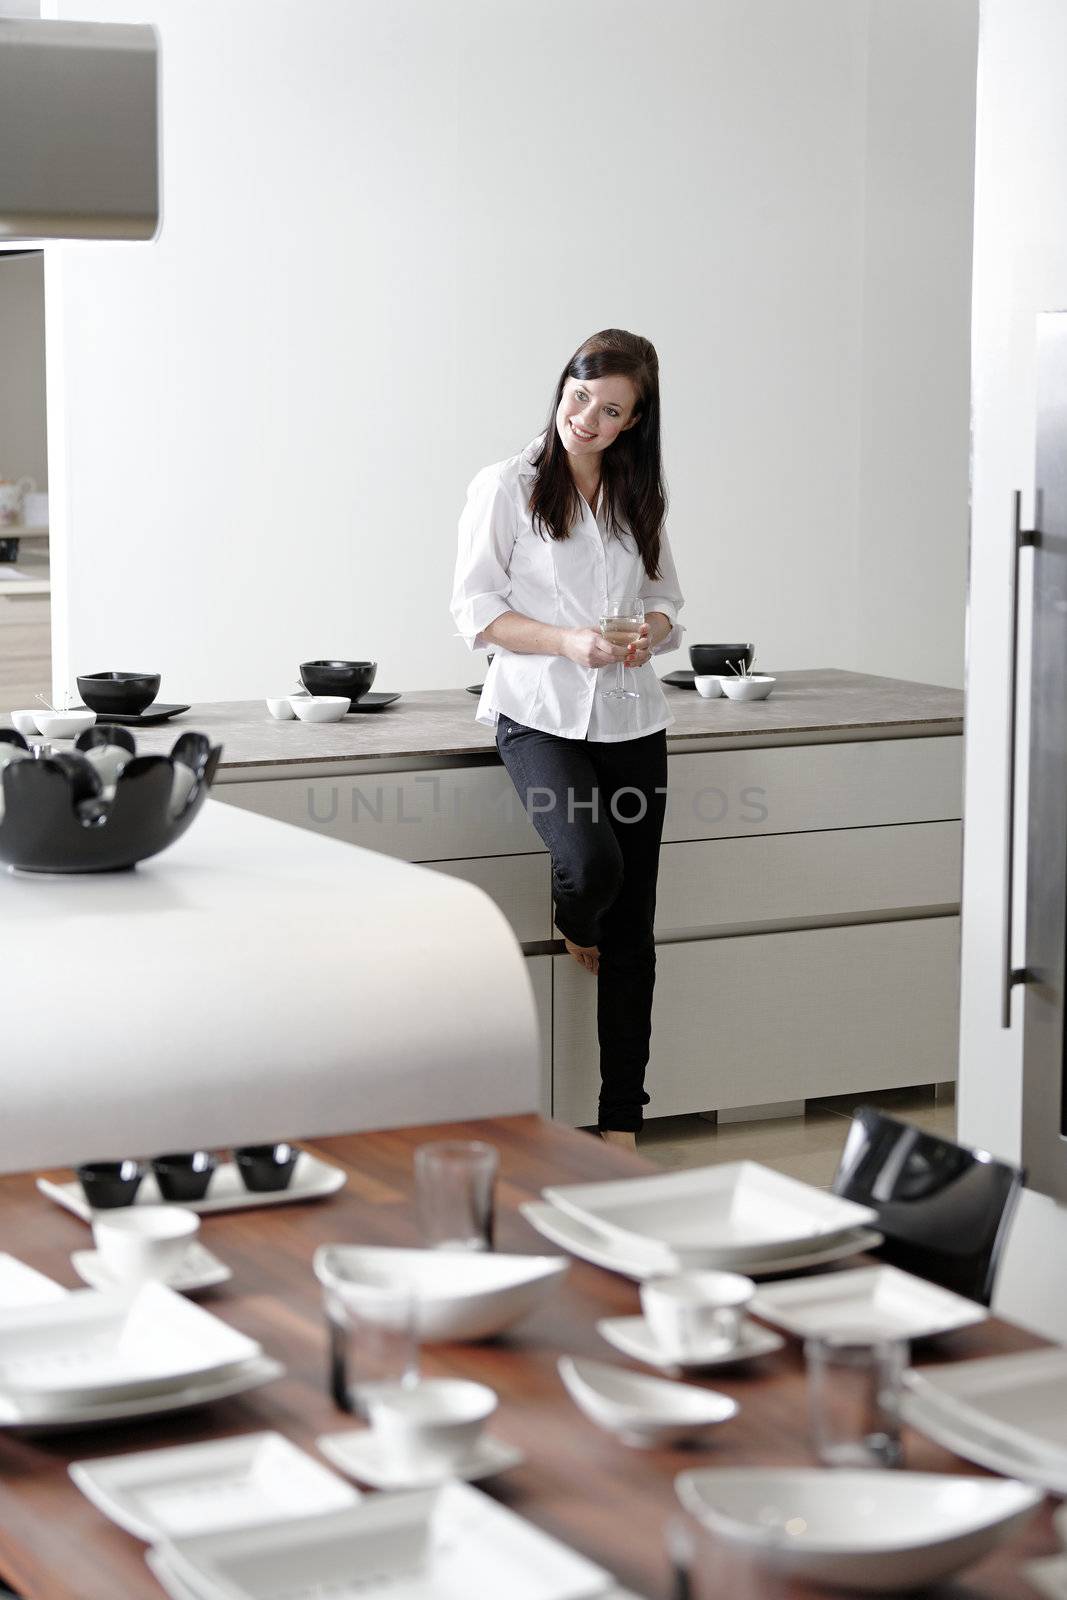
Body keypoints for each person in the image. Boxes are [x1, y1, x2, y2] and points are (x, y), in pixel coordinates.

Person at [450, 328, 685, 1150]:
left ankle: (621, 1120)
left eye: (610, 408)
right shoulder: (505, 486)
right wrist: (567, 641)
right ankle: (571, 914)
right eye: (580, 395)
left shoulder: (634, 493)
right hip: (536, 712)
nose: (587, 417)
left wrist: (648, 632)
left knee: (637, 930)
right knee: (591, 867)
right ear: (564, 387)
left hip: (632, 716)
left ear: (632, 422)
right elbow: (474, 611)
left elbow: (664, 599)